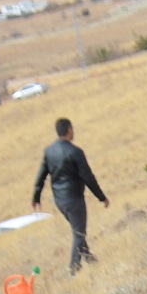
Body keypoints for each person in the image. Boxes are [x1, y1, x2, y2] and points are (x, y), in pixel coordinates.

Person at [32, 118, 109, 275]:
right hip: (74, 198)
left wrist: (36, 197)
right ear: (69, 130)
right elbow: (88, 177)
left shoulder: (49, 151)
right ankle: (74, 269)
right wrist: (102, 197)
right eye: (72, 129)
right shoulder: (75, 152)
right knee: (79, 233)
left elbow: (41, 175)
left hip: (59, 200)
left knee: (77, 230)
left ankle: (89, 258)